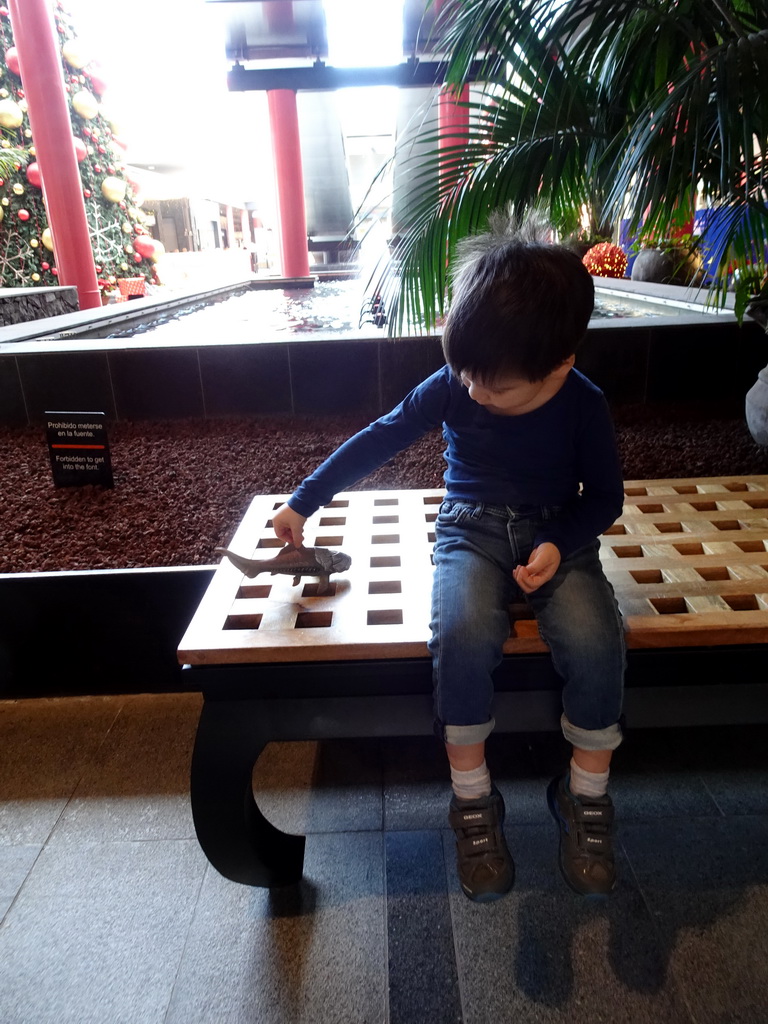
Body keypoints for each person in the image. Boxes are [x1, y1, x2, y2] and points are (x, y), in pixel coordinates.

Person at [272, 210, 626, 902]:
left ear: (560, 365)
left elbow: (605, 499)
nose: (474, 392)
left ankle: (585, 794)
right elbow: (383, 436)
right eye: (464, 373)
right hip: (469, 527)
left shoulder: (584, 404)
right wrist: (305, 500)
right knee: (460, 633)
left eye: (495, 386)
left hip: (559, 533)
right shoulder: (462, 380)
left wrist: (560, 542)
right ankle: (472, 799)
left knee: (595, 637)